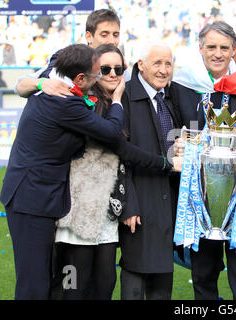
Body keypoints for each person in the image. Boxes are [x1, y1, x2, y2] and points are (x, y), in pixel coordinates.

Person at [53, 44, 179, 300]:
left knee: (104, 283)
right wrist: (165, 164)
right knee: (73, 284)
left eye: (118, 68)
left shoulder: (116, 102)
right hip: (78, 212)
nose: (112, 73)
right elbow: (124, 148)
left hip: (107, 213)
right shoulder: (85, 102)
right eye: (105, 69)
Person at [0, 44, 125, 300]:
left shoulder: (54, 76)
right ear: (80, 78)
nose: (101, 78)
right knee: (34, 284)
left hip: (38, 196)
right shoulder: (66, 102)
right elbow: (111, 133)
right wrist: (118, 101)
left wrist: (37, 83)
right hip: (31, 198)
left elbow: (32, 79)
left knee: (43, 278)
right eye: (97, 74)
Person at [171, 21, 236, 300]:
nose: (218, 53)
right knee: (204, 275)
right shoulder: (181, 85)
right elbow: (174, 132)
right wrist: (175, 146)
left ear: (234, 49)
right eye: (211, 47)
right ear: (200, 48)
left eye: (224, 47)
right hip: (199, 194)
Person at [118, 41, 181, 300]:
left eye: (168, 63)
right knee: (135, 276)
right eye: (157, 63)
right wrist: (128, 204)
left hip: (166, 203)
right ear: (141, 65)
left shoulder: (169, 98)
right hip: (139, 203)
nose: (164, 70)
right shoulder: (126, 96)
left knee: (162, 283)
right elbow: (120, 156)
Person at [15, 9, 126, 99]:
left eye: (116, 35)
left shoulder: (121, 67)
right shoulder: (71, 59)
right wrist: (42, 84)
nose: (111, 41)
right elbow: (20, 86)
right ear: (89, 36)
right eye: (104, 35)